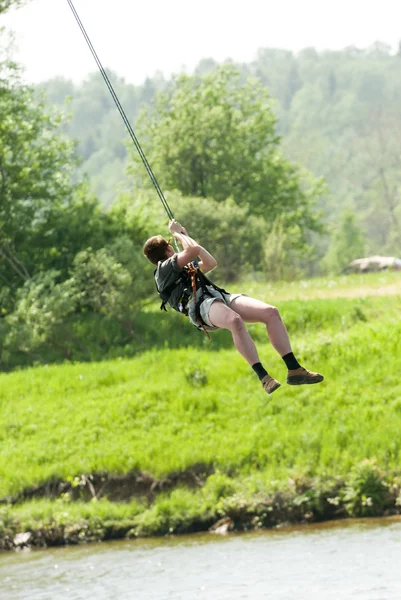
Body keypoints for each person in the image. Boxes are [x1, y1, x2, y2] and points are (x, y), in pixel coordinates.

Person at [143, 219, 324, 395]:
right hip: (200, 307)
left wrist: (186, 236)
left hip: (217, 296)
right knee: (234, 321)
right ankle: (264, 377)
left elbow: (210, 263)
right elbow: (193, 250)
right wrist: (177, 234)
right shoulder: (164, 270)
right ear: (168, 248)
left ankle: (294, 369)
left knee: (270, 312)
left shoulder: (181, 264)